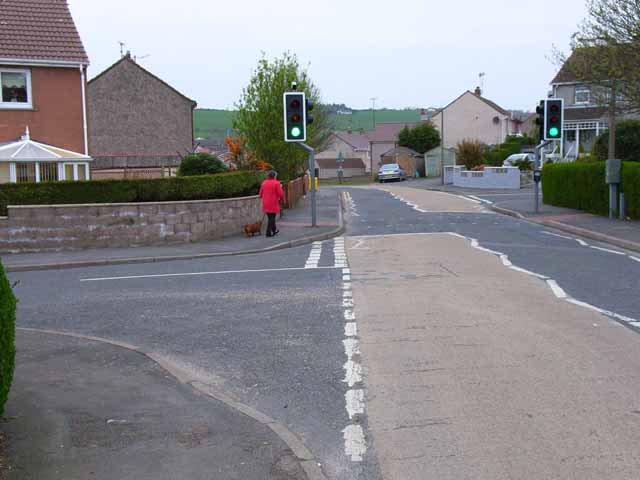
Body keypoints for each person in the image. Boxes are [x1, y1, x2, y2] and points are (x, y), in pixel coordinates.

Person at [259, 171, 285, 237]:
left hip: (265, 203)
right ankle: (268, 232)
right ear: (274, 176)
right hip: (273, 202)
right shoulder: (276, 183)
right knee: (272, 218)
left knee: (270, 217)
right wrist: (283, 200)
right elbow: (281, 194)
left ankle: (274, 230)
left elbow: (260, 194)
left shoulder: (264, 183)